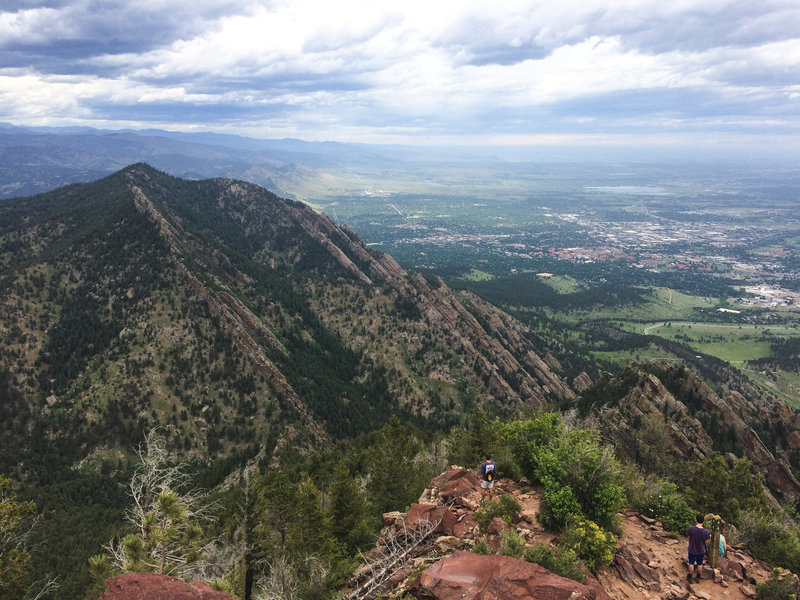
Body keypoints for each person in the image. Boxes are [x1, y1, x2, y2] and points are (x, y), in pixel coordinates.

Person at [687, 514, 711, 583]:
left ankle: (690, 577)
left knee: (691, 563)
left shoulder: (691, 528)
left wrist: (690, 544)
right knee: (699, 564)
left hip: (692, 549)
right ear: (703, 521)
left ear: (696, 520)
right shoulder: (706, 531)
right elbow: (707, 542)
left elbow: (689, 538)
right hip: (701, 550)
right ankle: (698, 577)